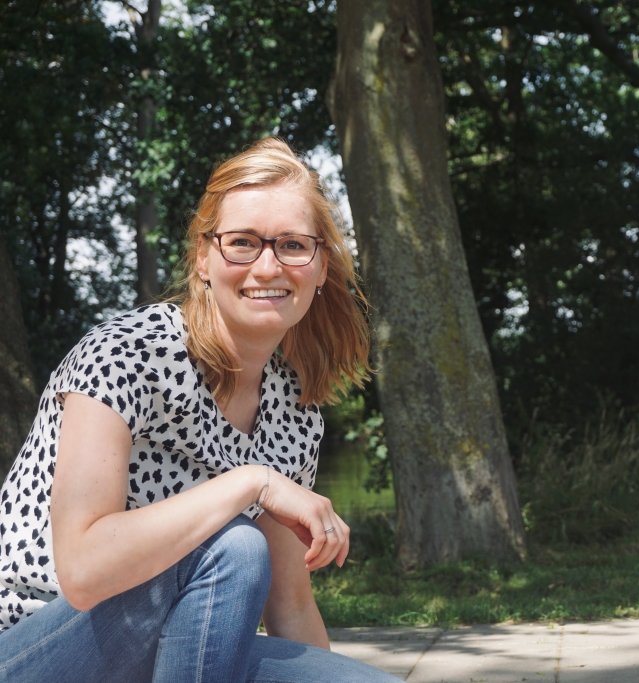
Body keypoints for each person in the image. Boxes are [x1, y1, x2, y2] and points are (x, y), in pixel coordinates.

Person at [0, 138, 403, 683]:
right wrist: (250, 482)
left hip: (187, 647)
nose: (268, 266)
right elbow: (84, 571)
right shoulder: (125, 354)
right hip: (37, 645)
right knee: (234, 545)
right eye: (242, 243)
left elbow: (290, 607)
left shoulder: (293, 414)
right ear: (203, 258)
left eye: (292, 244)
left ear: (321, 266)